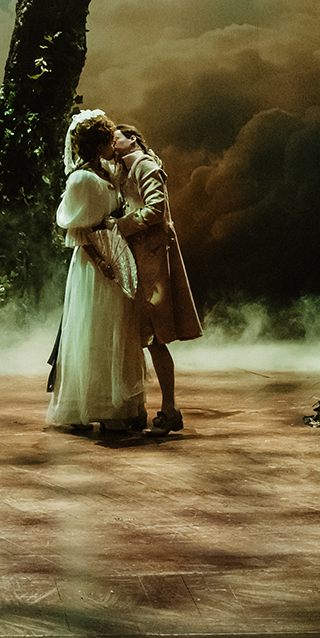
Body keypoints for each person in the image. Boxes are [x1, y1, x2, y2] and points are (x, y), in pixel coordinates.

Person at [46, 110, 146, 431]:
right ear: (97, 145)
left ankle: (118, 405)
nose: (113, 146)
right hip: (93, 265)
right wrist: (100, 260)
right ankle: (91, 406)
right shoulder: (82, 179)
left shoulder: (107, 173)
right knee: (94, 331)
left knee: (116, 329)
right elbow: (78, 230)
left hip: (115, 260)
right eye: (108, 141)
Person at [109, 122, 203, 433]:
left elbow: (155, 210)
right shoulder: (127, 170)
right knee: (144, 335)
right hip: (139, 255)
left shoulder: (145, 165)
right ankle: (144, 407)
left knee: (154, 335)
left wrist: (118, 226)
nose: (112, 143)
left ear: (133, 139)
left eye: (116, 138)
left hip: (152, 256)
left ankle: (170, 408)